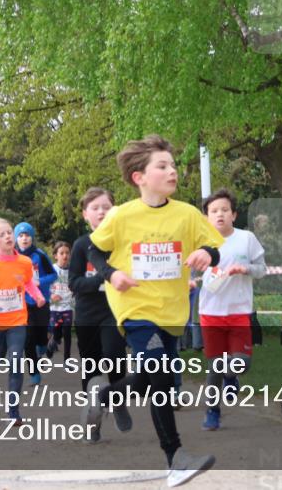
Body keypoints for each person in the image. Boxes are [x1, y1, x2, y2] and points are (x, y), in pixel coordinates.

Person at [89, 134, 223, 486]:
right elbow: (92, 250)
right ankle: (175, 457)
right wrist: (111, 273)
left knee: (149, 378)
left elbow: (215, 246)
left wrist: (208, 254)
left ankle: (105, 394)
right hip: (135, 311)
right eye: (162, 166)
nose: (172, 171)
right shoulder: (121, 216)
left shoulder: (188, 214)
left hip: (172, 313)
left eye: (173, 165)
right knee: (161, 374)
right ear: (140, 177)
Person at [198, 188, 266, 431]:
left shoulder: (246, 239)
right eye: (214, 211)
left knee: (241, 363)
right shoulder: (201, 242)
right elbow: (191, 271)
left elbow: (262, 269)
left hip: (239, 311)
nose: (219, 215)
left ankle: (231, 376)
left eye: (225, 210)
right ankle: (212, 411)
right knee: (214, 366)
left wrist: (246, 269)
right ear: (206, 217)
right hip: (210, 312)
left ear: (234, 214)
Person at [69, 187, 132, 442]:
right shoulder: (81, 245)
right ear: (86, 215)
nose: (101, 212)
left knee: (116, 358)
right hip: (86, 314)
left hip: (114, 312)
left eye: (106, 207)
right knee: (91, 369)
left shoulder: (122, 242)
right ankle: (92, 421)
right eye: (95, 208)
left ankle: (118, 403)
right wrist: (100, 281)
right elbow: (73, 282)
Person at [0, 217, 45, 425]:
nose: (7, 236)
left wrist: (37, 295)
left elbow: (28, 282)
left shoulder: (25, 262)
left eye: (9, 232)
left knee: (15, 362)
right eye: (1, 235)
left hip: (17, 320)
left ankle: (13, 411)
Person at [14, 221, 56, 385]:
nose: (24, 239)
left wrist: (40, 282)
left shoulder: (40, 255)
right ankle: (34, 373)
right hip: (22, 303)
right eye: (21, 235)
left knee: (40, 335)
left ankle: (44, 344)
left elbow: (53, 275)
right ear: (16, 239)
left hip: (41, 301)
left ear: (32, 238)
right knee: (27, 339)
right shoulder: (13, 257)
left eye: (27, 235)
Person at [46, 241, 74, 359]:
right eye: (61, 253)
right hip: (54, 307)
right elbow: (43, 286)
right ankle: (51, 345)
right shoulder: (51, 269)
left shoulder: (73, 270)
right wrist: (50, 295)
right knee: (57, 333)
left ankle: (67, 359)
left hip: (68, 306)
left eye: (67, 253)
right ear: (55, 255)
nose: (65, 256)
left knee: (67, 334)